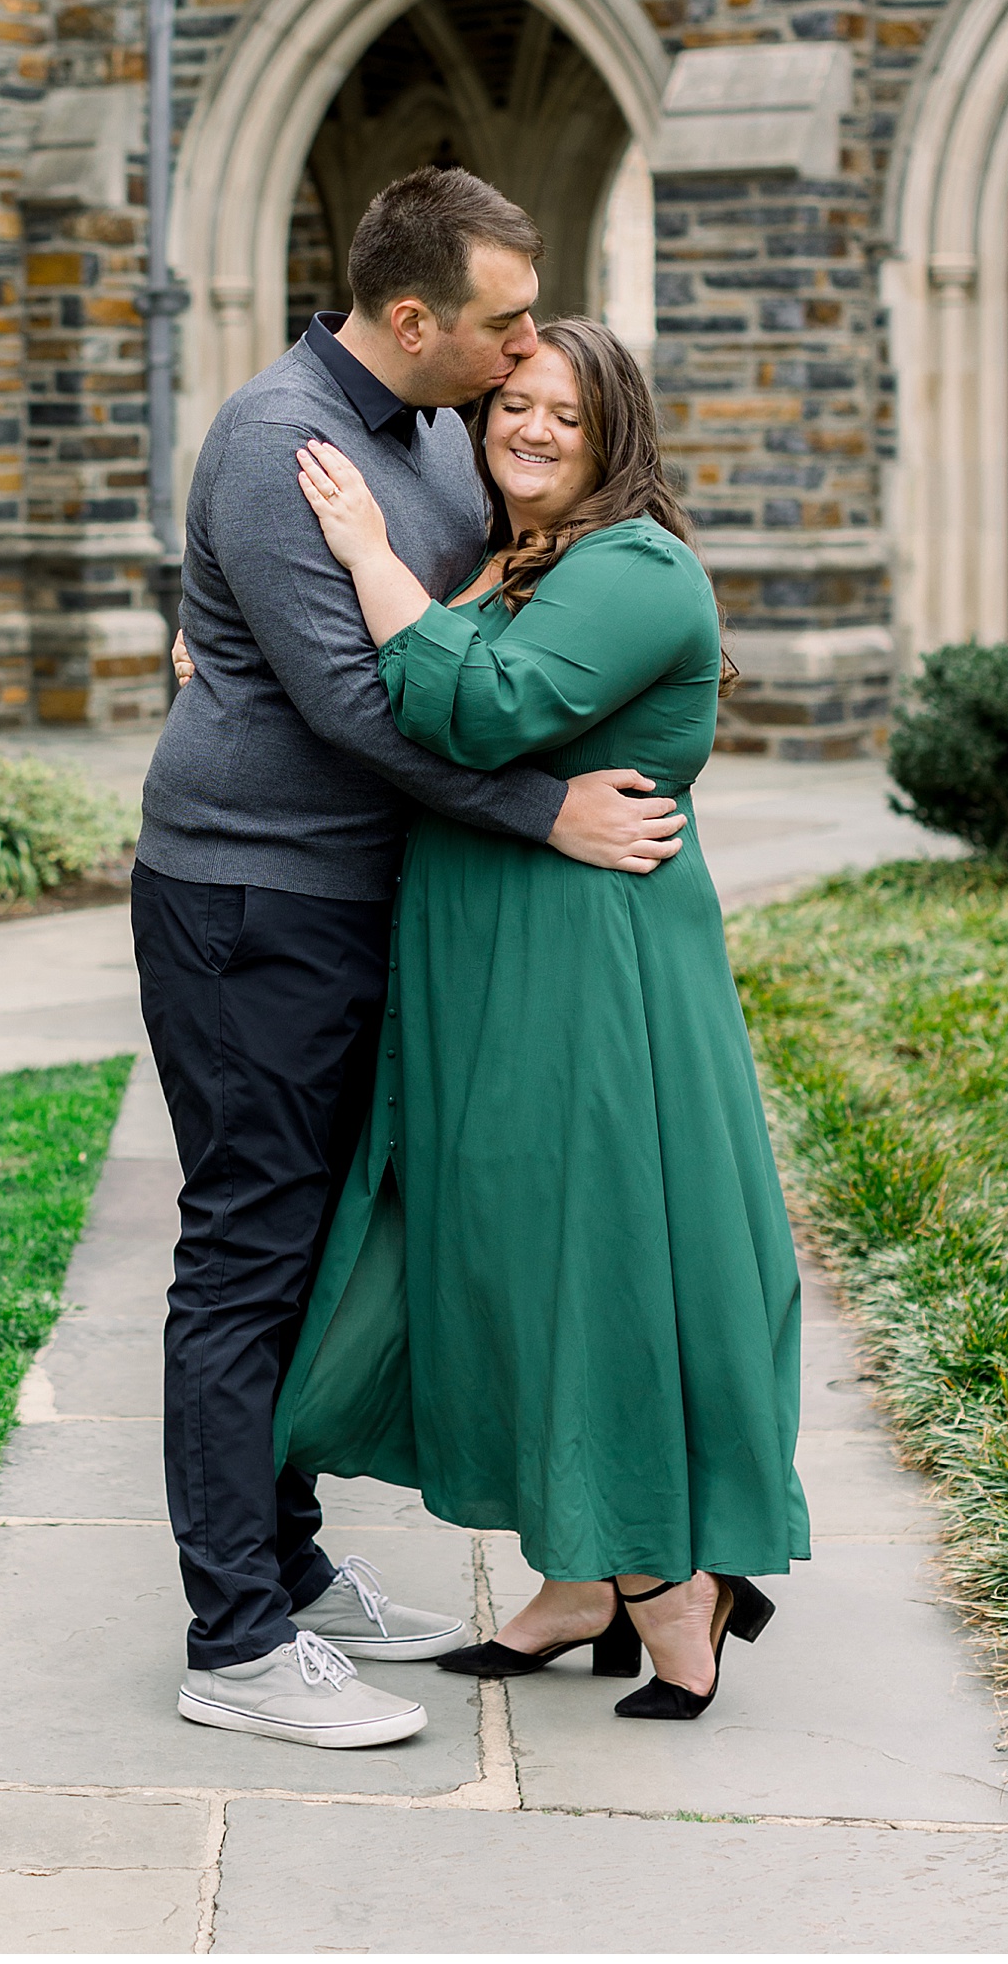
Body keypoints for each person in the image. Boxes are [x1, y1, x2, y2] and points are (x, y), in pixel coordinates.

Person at [133, 168, 688, 1752]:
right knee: (247, 1254)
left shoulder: (437, 431)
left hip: (357, 898)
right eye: (506, 321)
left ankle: (290, 1565)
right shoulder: (278, 438)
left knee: (311, 1252)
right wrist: (544, 811)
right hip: (251, 902)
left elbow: (464, 625)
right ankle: (236, 1639)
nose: (526, 348)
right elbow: (361, 709)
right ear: (410, 317)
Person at [271, 314, 810, 1720]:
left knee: (598, 1251)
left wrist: (366, 556)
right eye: (515, 401)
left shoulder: (635, 567)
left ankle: (668, 1578)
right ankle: (578, 1573)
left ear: (614, 432)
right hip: (489, 955)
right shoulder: (508, 559)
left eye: (568, 412)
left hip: (590, 964)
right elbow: (384, 697)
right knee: (514, 1252)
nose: (532, 428)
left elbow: (482, 707)